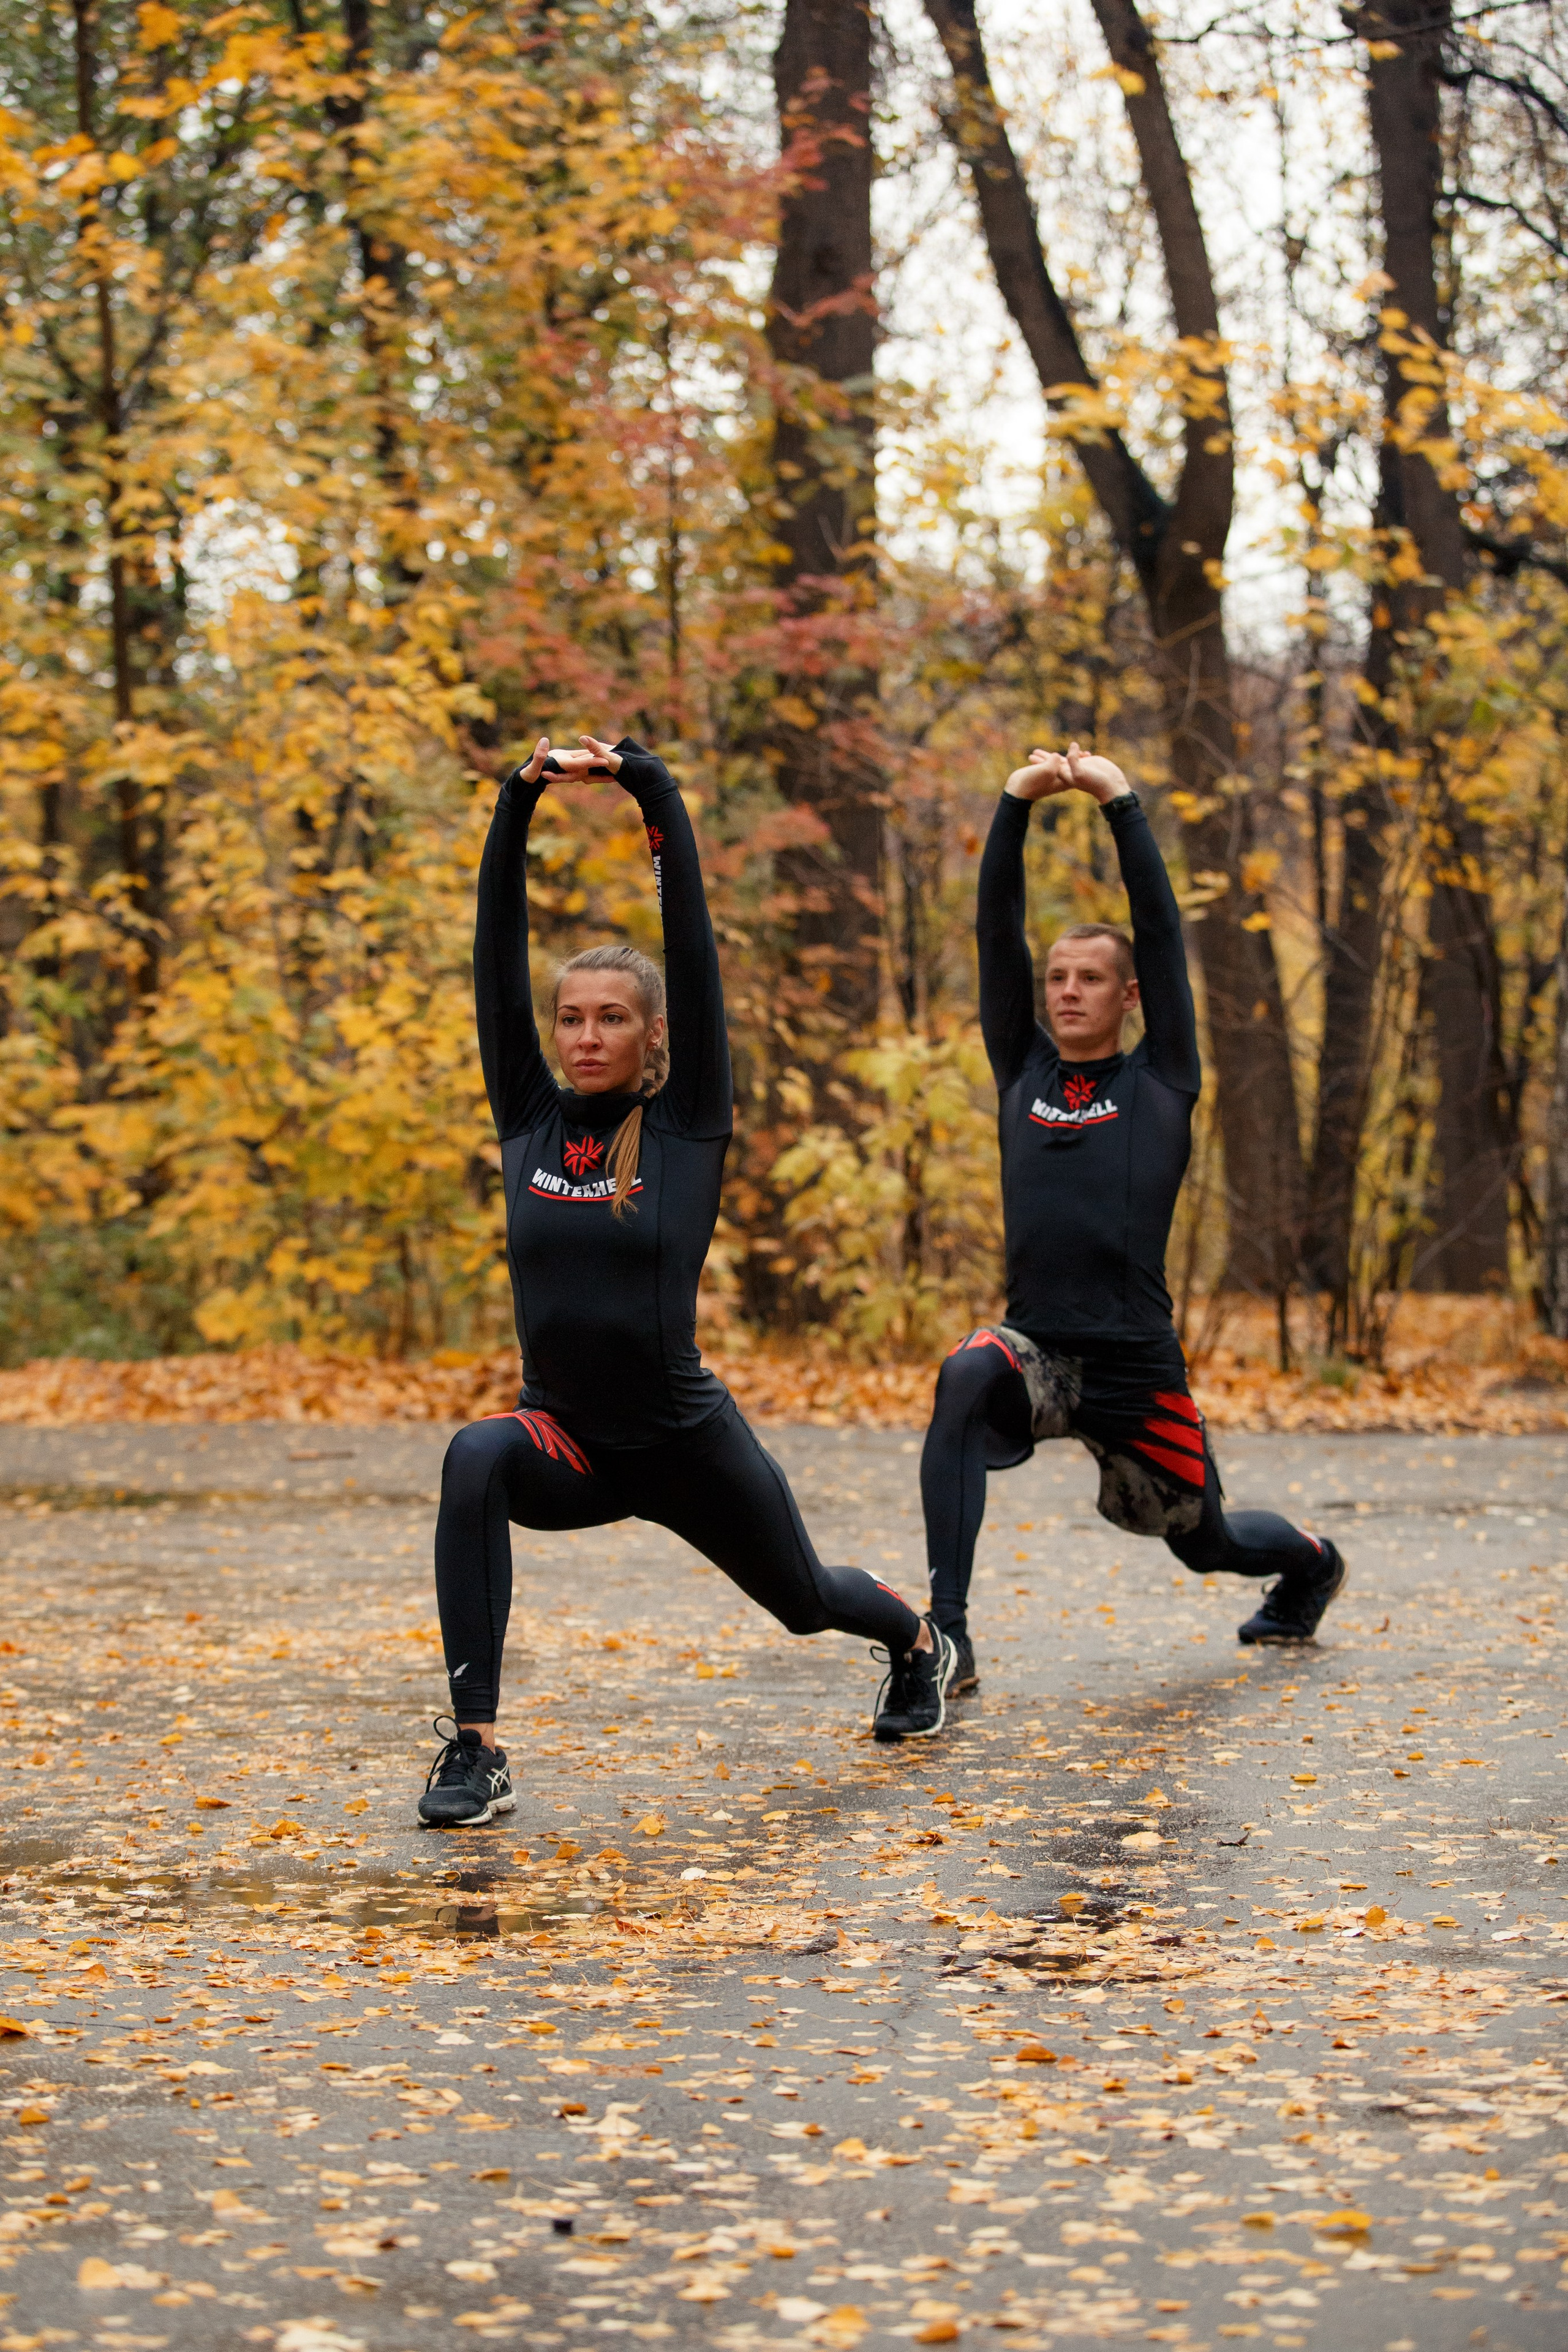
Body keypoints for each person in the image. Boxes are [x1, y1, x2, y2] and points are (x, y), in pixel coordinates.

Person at [420, 731, 957, 1824]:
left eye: (610, 1017)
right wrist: (517, 802)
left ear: (653, 1034)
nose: (583, 1036)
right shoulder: (527, 1119)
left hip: (681, 1444)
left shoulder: (685, 1127)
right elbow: (493, 948)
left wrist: (647, 786)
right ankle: (475, 1749)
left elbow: (692, 946)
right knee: (473, 1456)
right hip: (565, 1442)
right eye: (570, 1017)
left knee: (806, 1601)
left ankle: (918, 1641)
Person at [876, 744, 1345, 1738]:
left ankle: (1309, 1561)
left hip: (1137, 1364)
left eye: (1093, 979)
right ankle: (947, 1633)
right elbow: (993, 932)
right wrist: (1013, 802)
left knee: (1204, 1541)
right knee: (966, 1374)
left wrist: (1119, 802)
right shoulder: (1022, 1072)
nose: (1068, 992)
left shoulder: (1162, 1078)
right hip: (1038, 1351)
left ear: (1128, 997)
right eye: (1058, 978)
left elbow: (1163, 935)